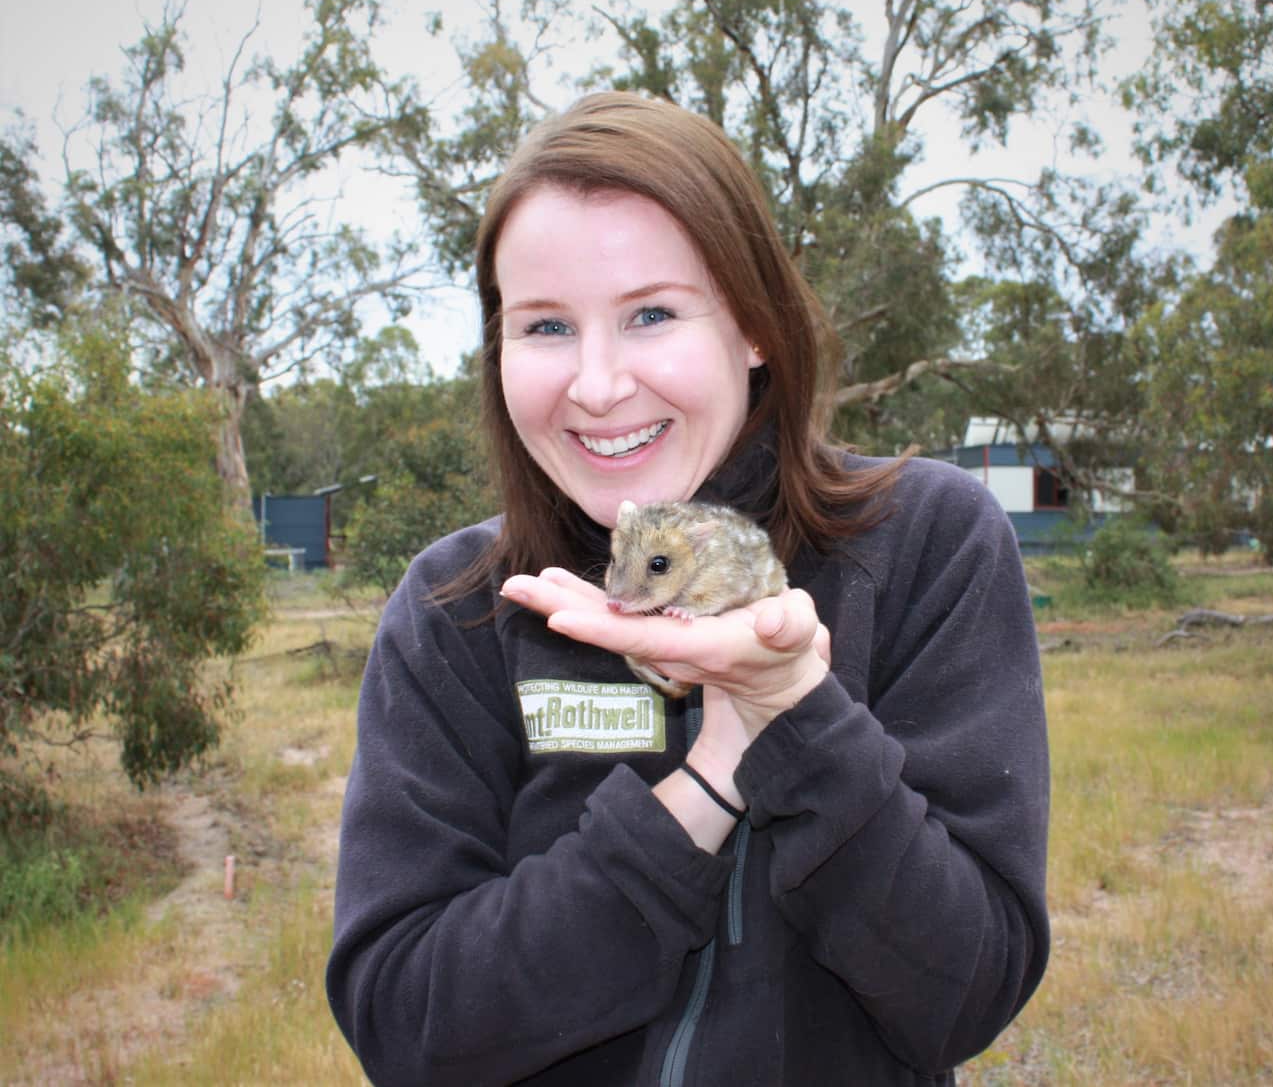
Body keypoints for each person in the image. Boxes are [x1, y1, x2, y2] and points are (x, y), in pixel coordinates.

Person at [326, 91, 1050, 1086]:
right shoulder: (456, 610)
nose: (594, 383)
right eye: (543, 326)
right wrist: (702, 790)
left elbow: (968, 988)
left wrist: (792, 715)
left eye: (651, 314)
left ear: (753, 326)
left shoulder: (923, 544)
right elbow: (407, 1027)